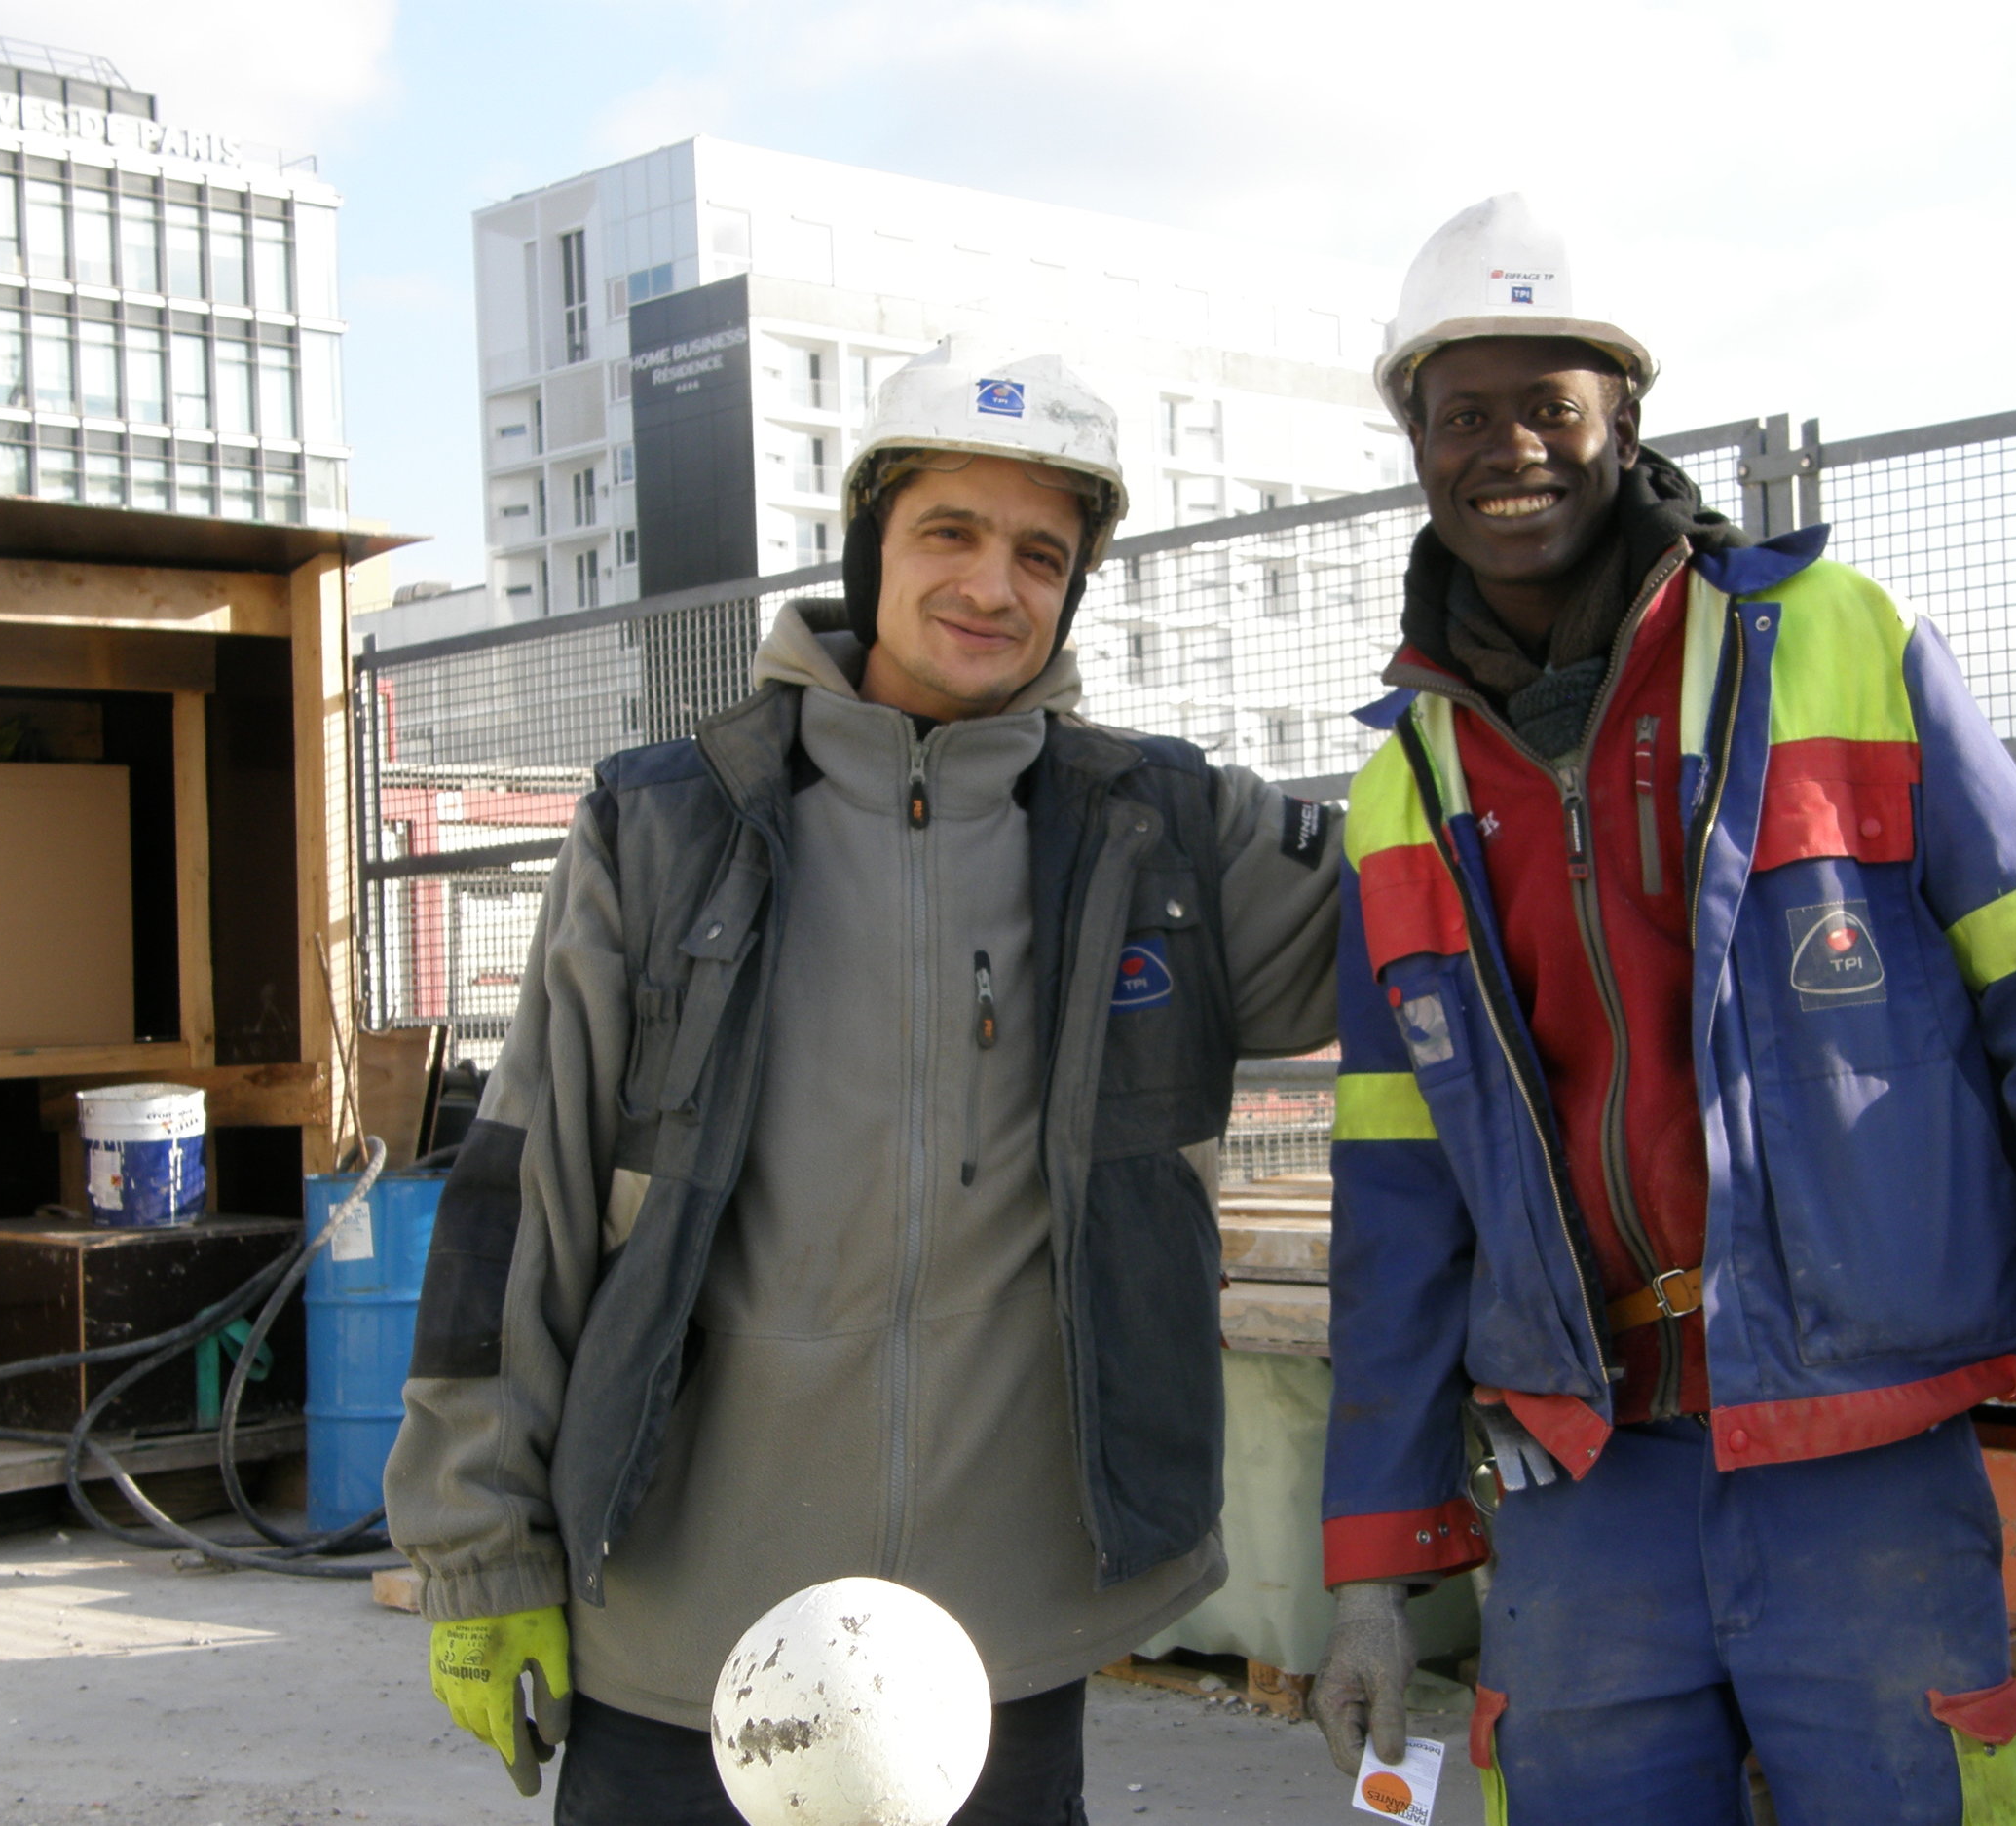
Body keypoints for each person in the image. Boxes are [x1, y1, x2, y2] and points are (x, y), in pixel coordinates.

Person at [1309, 195, 2016, 1825]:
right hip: (1585, 1474)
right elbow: (1396, 1199)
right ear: (1416, 442)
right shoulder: (1406, 787)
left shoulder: (1842, 646)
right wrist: (1374, 1567)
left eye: (1552, 406)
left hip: (1859, 1454)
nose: (1510, 447)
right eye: (1467, 415)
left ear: (1625, 424)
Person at [386, 338, 1341, 1824]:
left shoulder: (1162, 834)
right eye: (948, 532)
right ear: (868, 546)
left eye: (1041, 549)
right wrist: (475, 1543)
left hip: (999, 1638)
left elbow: (1451, 925)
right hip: (680, 1621)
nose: (991, 584)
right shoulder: (670, 827)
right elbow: (525, 1201)